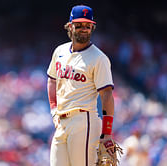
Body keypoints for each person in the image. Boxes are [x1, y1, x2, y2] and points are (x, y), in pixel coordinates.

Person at [47, 4, 116, 166]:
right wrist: (53, 108)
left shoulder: (99, 58)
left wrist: (106, 133)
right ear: (70, 26)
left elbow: (106, 95)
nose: (84, 29)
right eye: (79, 25)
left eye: (87, 25)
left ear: (92, 27)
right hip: (61, 122)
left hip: (84, 121)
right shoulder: (60, 51)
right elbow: (51, 79)